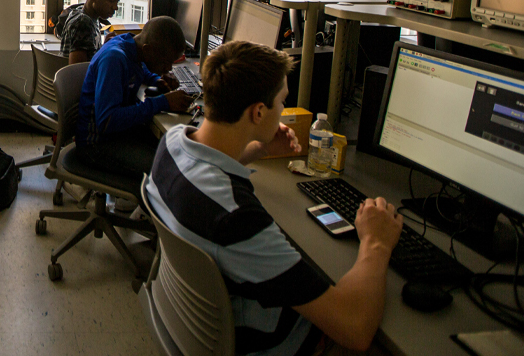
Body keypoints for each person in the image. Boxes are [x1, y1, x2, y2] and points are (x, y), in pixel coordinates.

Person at [144, 41, 403, 355]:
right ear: (258, 112)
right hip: (267, 342)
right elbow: (354, 328)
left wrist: (259, 147)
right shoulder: (236, 217)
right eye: (281, 102)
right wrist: (376, 243)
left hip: (186, 322)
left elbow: (206, 170)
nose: (283, 110)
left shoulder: (173, 142)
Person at [77, 16, 193, 185]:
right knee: (167, 173)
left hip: (117, 134)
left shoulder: (128, 45)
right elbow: (107, 121)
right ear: (147, 50)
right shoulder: (114, 59)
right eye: (166, 62)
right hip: (96, 145)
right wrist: (163, 102)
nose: (168, 69)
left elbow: (138, 68)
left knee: (174, 152)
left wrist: (156, 80)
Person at [59, 0, 132, 65]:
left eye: (117, 2)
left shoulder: (84, 14)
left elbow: (90, 58)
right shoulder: (83, 23)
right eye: (111, 1)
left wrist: (105, 46)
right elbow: (78, 71)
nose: (115, 7)